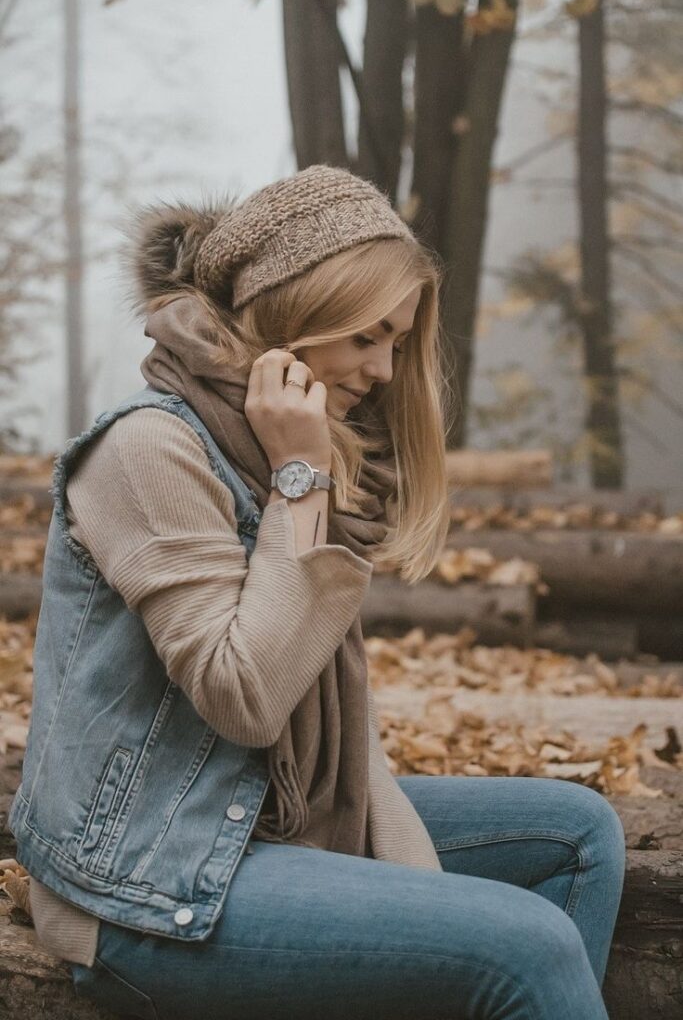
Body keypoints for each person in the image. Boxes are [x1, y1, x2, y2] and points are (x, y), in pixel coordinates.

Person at [9, 165, 625, 1020]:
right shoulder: (150, 451)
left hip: (265, 810)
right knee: (529, 943)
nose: (381, 369)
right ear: (297, 310)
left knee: (578, 834)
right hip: (147, 872)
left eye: (398, 343)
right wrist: (301, 480)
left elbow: (323, 709)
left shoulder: (266, 446)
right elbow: (249, 697)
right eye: (366, 336)